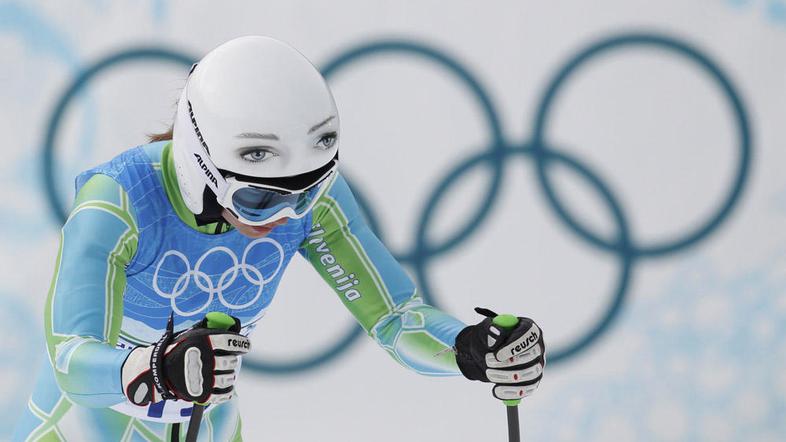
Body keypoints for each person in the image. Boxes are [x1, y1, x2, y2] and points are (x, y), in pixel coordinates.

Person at [14, 36, 545, 441]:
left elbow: (394, 318)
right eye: (259, 199)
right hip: (82, 425)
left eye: (308, 192)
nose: (284, 214)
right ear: (202, 167)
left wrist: (469, 349)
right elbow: (72, 362)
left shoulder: (313, 204)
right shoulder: (118, 202)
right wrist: (154, 367)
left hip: (209, 420)